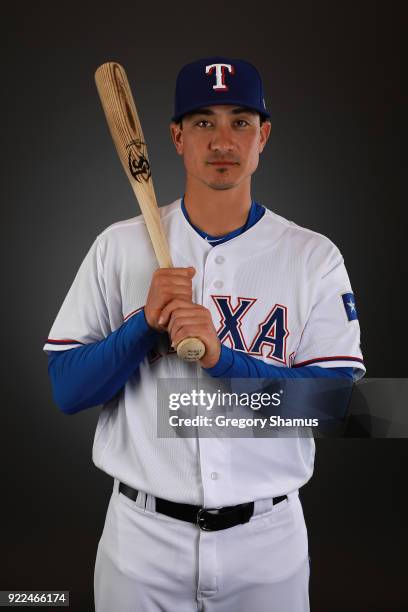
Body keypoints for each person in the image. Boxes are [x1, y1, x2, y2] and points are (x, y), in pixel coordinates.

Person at [43, 56, 365, 611]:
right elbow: (66, 391)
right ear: (175, 137)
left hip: (268, 544)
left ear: (263, 136)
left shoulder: (313, 256)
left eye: (240, 121)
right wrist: (143, 325)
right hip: (141, 543)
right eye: (203, 122)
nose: (222, 140)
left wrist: (224, 359)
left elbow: (339, 407)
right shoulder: (118, 247)